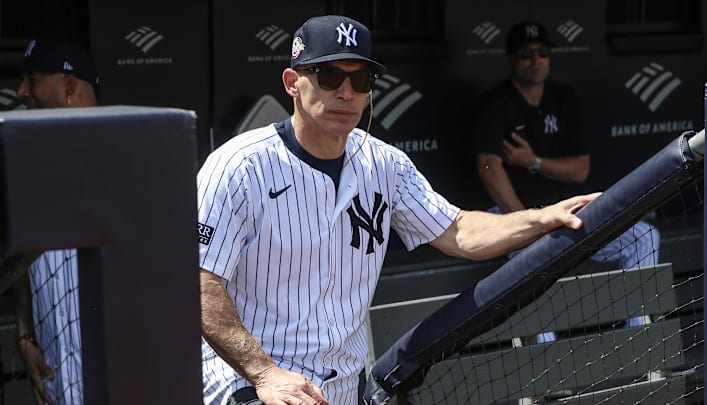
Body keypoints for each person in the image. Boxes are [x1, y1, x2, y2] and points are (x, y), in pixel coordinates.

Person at [198, 15, 600, 405]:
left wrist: (542, 217)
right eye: (329, 76)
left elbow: (458, 230)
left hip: (341, 388)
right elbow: (199, 284)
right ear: (292, 82)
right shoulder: (239, 166)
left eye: (360, 79)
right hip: (253, 382)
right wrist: (265, 374)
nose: (346, 92)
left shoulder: (384, 164)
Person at [474, 21, 660, 341]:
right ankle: (545, 381)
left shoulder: (563, 98)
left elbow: (579, 170)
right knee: (532, 266)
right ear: (510, 59)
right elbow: (489, 167)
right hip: (510, 213)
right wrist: (525, 223)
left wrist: (533, 162)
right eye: (526, 54)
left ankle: (641, 344)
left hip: (562, 210)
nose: (536, 60)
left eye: (542, 53)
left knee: (644, 236)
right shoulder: (496, 104)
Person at [12, 38, 99, 405]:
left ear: (67, 87)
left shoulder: (132, 160)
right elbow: (22, 260)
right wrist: (25, 334)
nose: (21, 91)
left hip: (116, 375)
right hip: (56, 377)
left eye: (33, 79)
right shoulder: (25, 164)